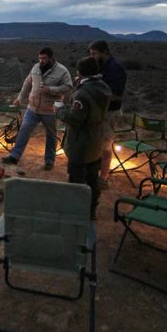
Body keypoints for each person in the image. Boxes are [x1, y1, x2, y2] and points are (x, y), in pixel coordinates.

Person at [57, 57, 111, 220]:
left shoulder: (83, 93)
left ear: (80, 72)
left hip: (81, 143)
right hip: (96, 140)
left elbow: (76, 119)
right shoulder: (103, 87)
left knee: (77, 180)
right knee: (93, 178)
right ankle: (91, 210)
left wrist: (59, 110)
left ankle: (77, 213)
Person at [2, 47, 73, 170]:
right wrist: (20, 98)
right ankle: (14, 156)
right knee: (24, 130)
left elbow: (68, 87)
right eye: (40, 58)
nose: (41, 60)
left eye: (44, 58)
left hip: (50, 109)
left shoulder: (62, 71)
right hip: (33, 108)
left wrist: (51, 89)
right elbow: (27, 83)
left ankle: (49, 161)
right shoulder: (35, 68)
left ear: (51, 58)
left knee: (51, 135)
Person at [88, 40, 127, 191]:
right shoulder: (98, 66)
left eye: (94, 53)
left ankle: (103, 177)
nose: (92, 57)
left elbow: (117, 96)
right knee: (96, 142)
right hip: (98, 111)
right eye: (90, 54)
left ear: (105, 52)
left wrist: (95, 92)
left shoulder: (115, 69)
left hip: (110, 112)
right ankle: (94, 172)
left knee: (105, 144)